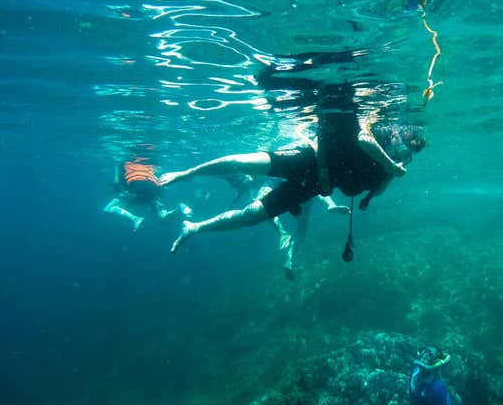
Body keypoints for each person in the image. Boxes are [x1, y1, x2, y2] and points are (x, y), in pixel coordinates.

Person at [159, 49, 425, 253]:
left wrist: (391, 171)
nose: (400, 157)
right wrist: (387, 165)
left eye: (406, 156)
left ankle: (194, 228)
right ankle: (186, 173)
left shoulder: (388, 166)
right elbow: (362, 139)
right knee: (241, 162)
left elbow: (372, 193)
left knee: (252, 216)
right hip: (306, 159)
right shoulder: (377, 132)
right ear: (395, 134)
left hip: (313, 186)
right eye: (401, 149)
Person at [104, 155, 192, 231]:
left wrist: (120, 190)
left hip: (136, 187)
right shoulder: (148, 162)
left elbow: (116, 180)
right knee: (163, 216)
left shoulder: (121, 163)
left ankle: (135, 219)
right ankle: (180, 209)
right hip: (153, 187)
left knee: (108, 207)